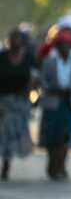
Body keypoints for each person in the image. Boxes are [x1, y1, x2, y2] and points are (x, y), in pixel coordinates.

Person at [38, 30, 71, 180]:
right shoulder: (49, 63)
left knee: (66, 137)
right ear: (57, 47)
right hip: (53, 102)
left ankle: (61, 165)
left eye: (67, 45)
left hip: (69, 103)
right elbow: (43, 81)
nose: (64, 48)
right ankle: (52, 164)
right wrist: (53, 88)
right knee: (52, 136)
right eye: (62, 45)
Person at [0, 29, 37, 179]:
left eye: (18, 39)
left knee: (18, 132)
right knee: (5, 132)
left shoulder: (28, 58)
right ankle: (6, 163)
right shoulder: (2, 57)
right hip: (4, 100)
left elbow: (35, 75)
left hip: (20, 101)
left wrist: (30, 90)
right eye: (13, 39)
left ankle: (9, 158)